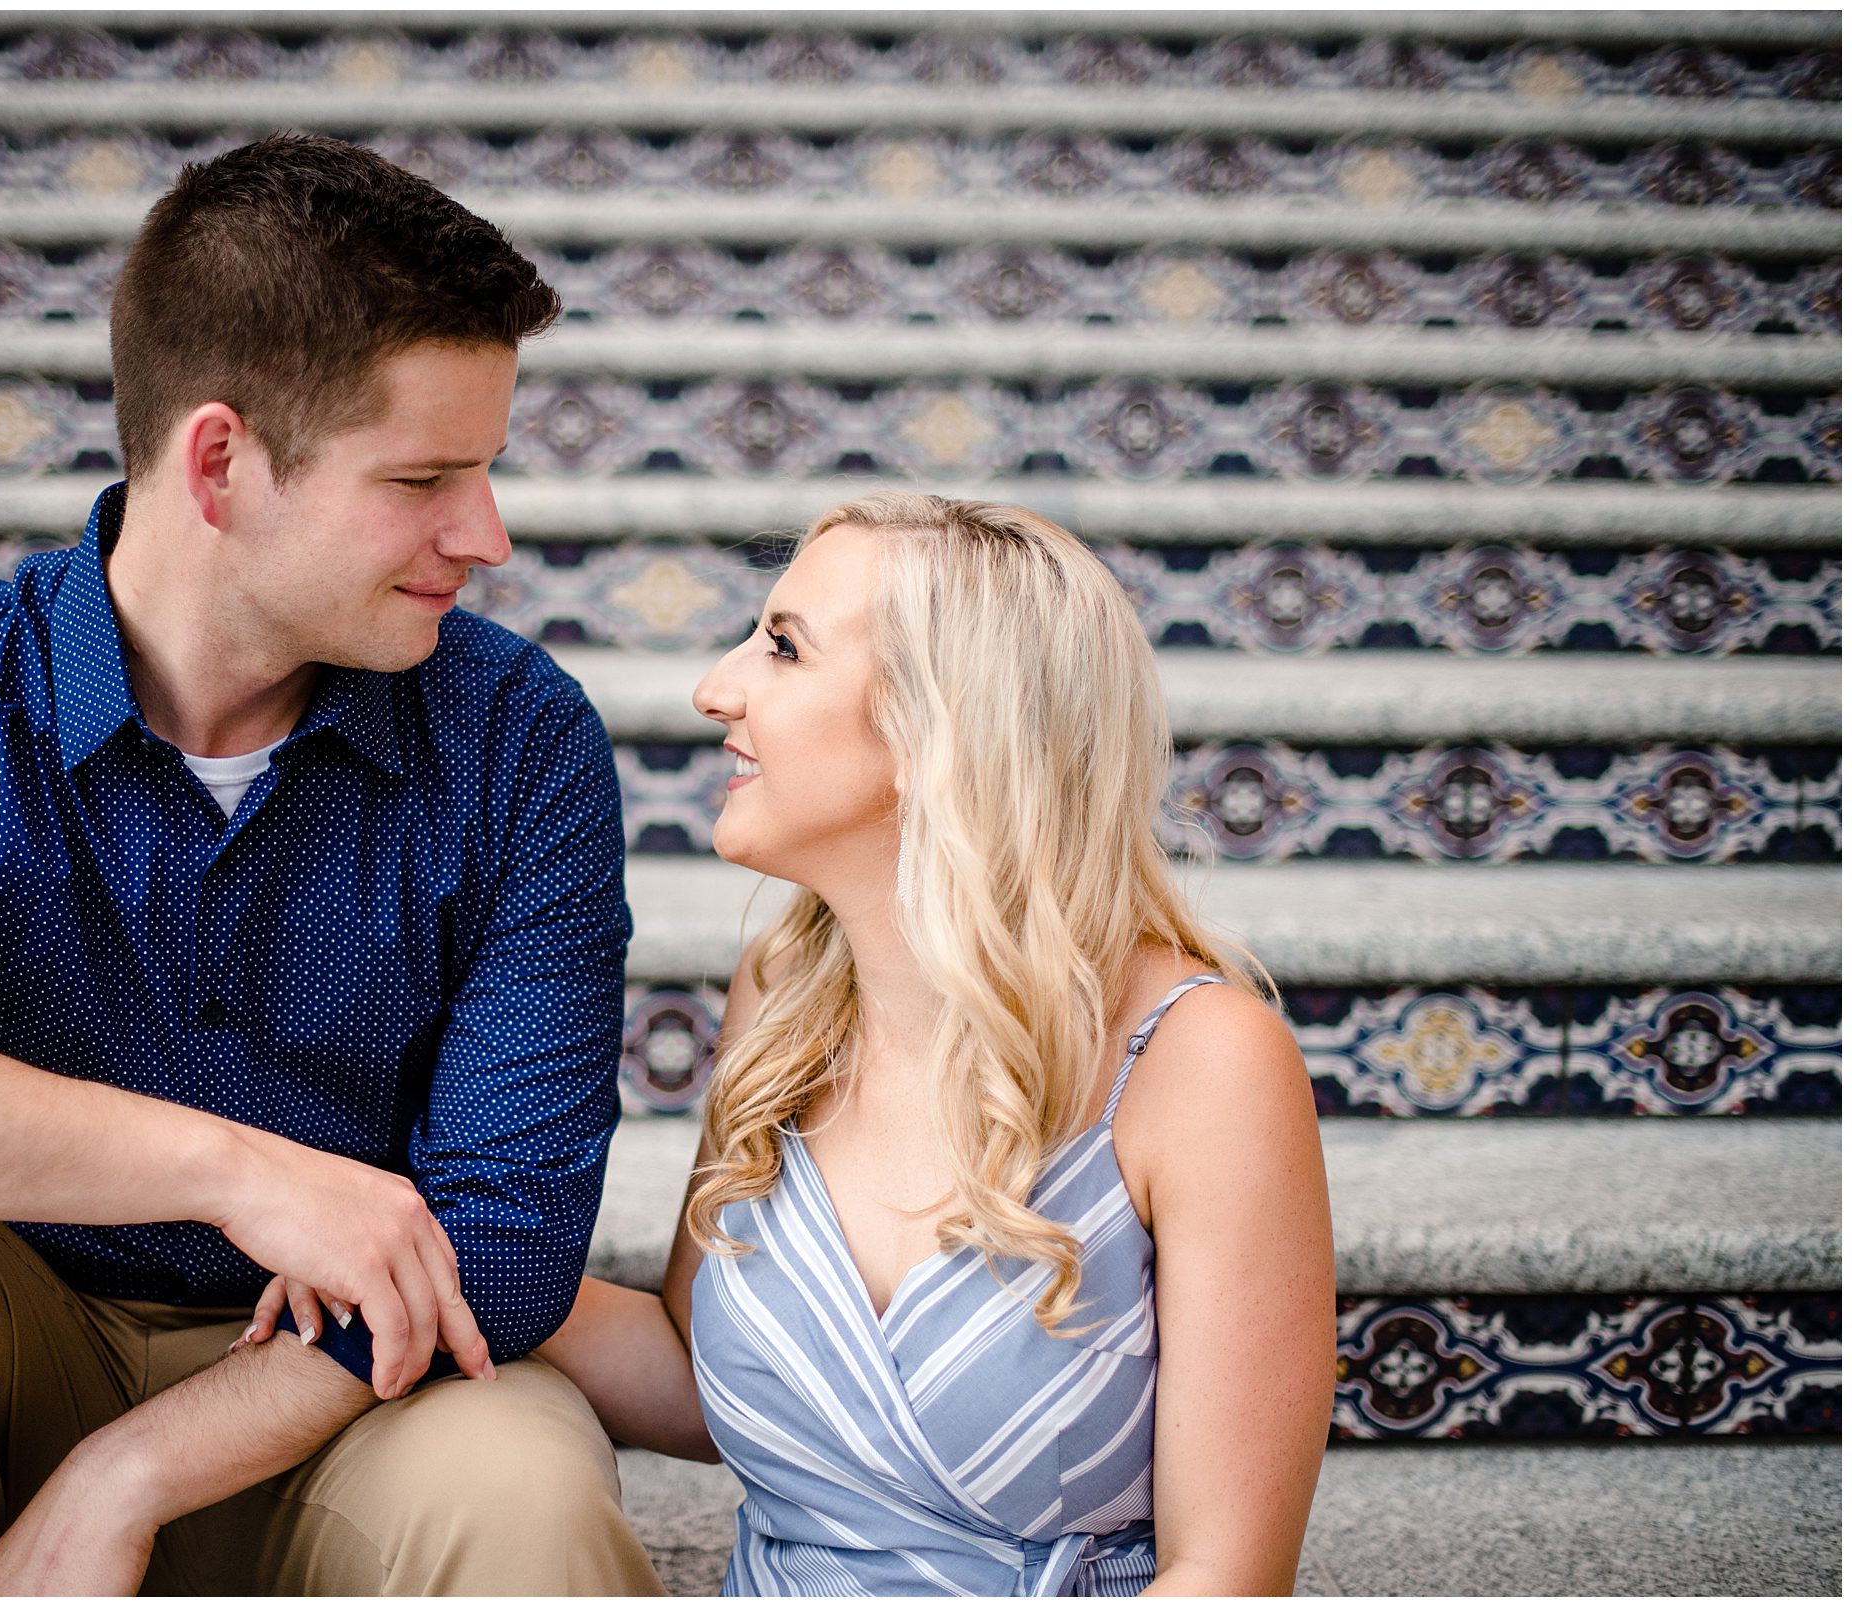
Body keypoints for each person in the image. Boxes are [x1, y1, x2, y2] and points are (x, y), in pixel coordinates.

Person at [0, 132, 665, 1596]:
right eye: (427, 476)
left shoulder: (518, 735)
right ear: (220, 460)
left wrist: (125, 1469)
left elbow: (503, 1238)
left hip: (347, 1392)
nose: (484, 534)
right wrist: (233, 1170)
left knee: (525, 1502)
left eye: (486, 471)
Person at [259, 491, 1337, 1592]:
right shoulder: (785, 995)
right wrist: (420, 1237)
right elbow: (698, 1371)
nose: (716, 687)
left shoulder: (1204, 1063)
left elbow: (1226, 1574)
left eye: (782, 647)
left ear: (940, 729)